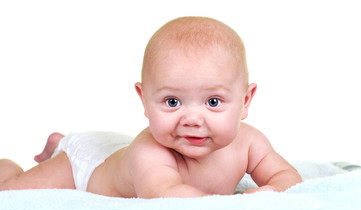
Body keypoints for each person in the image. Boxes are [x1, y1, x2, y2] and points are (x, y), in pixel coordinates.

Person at [0, 16, 302, 198]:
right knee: (10, 193)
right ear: (144, 100)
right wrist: (239, 206)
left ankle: (57, 143)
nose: (193, 119)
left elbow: (287, 177)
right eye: (172, 102)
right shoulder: (150, 153)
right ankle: (23, 162)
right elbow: (167, 195)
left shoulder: (250, 142)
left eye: (213, 102)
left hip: (117, 151)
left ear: (245, 101)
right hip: (88, 164)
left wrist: (273, 192)